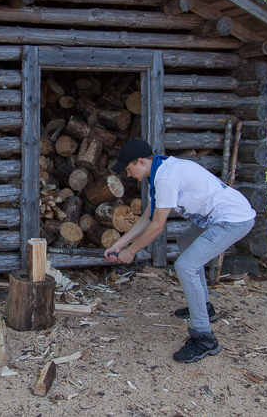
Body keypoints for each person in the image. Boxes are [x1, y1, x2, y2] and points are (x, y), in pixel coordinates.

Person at [104, 139, 255, 363]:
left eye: (128, 168)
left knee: (185, 265)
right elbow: (147, 217)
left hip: (233, 219)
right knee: (186, 241)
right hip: (216, 218)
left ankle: (204, 338)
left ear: (141, 162)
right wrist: (119, 245)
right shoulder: (159, 171)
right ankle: (204, 307)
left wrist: (132, 251)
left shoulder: (165, 178)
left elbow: (157, 226)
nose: (128, 174)